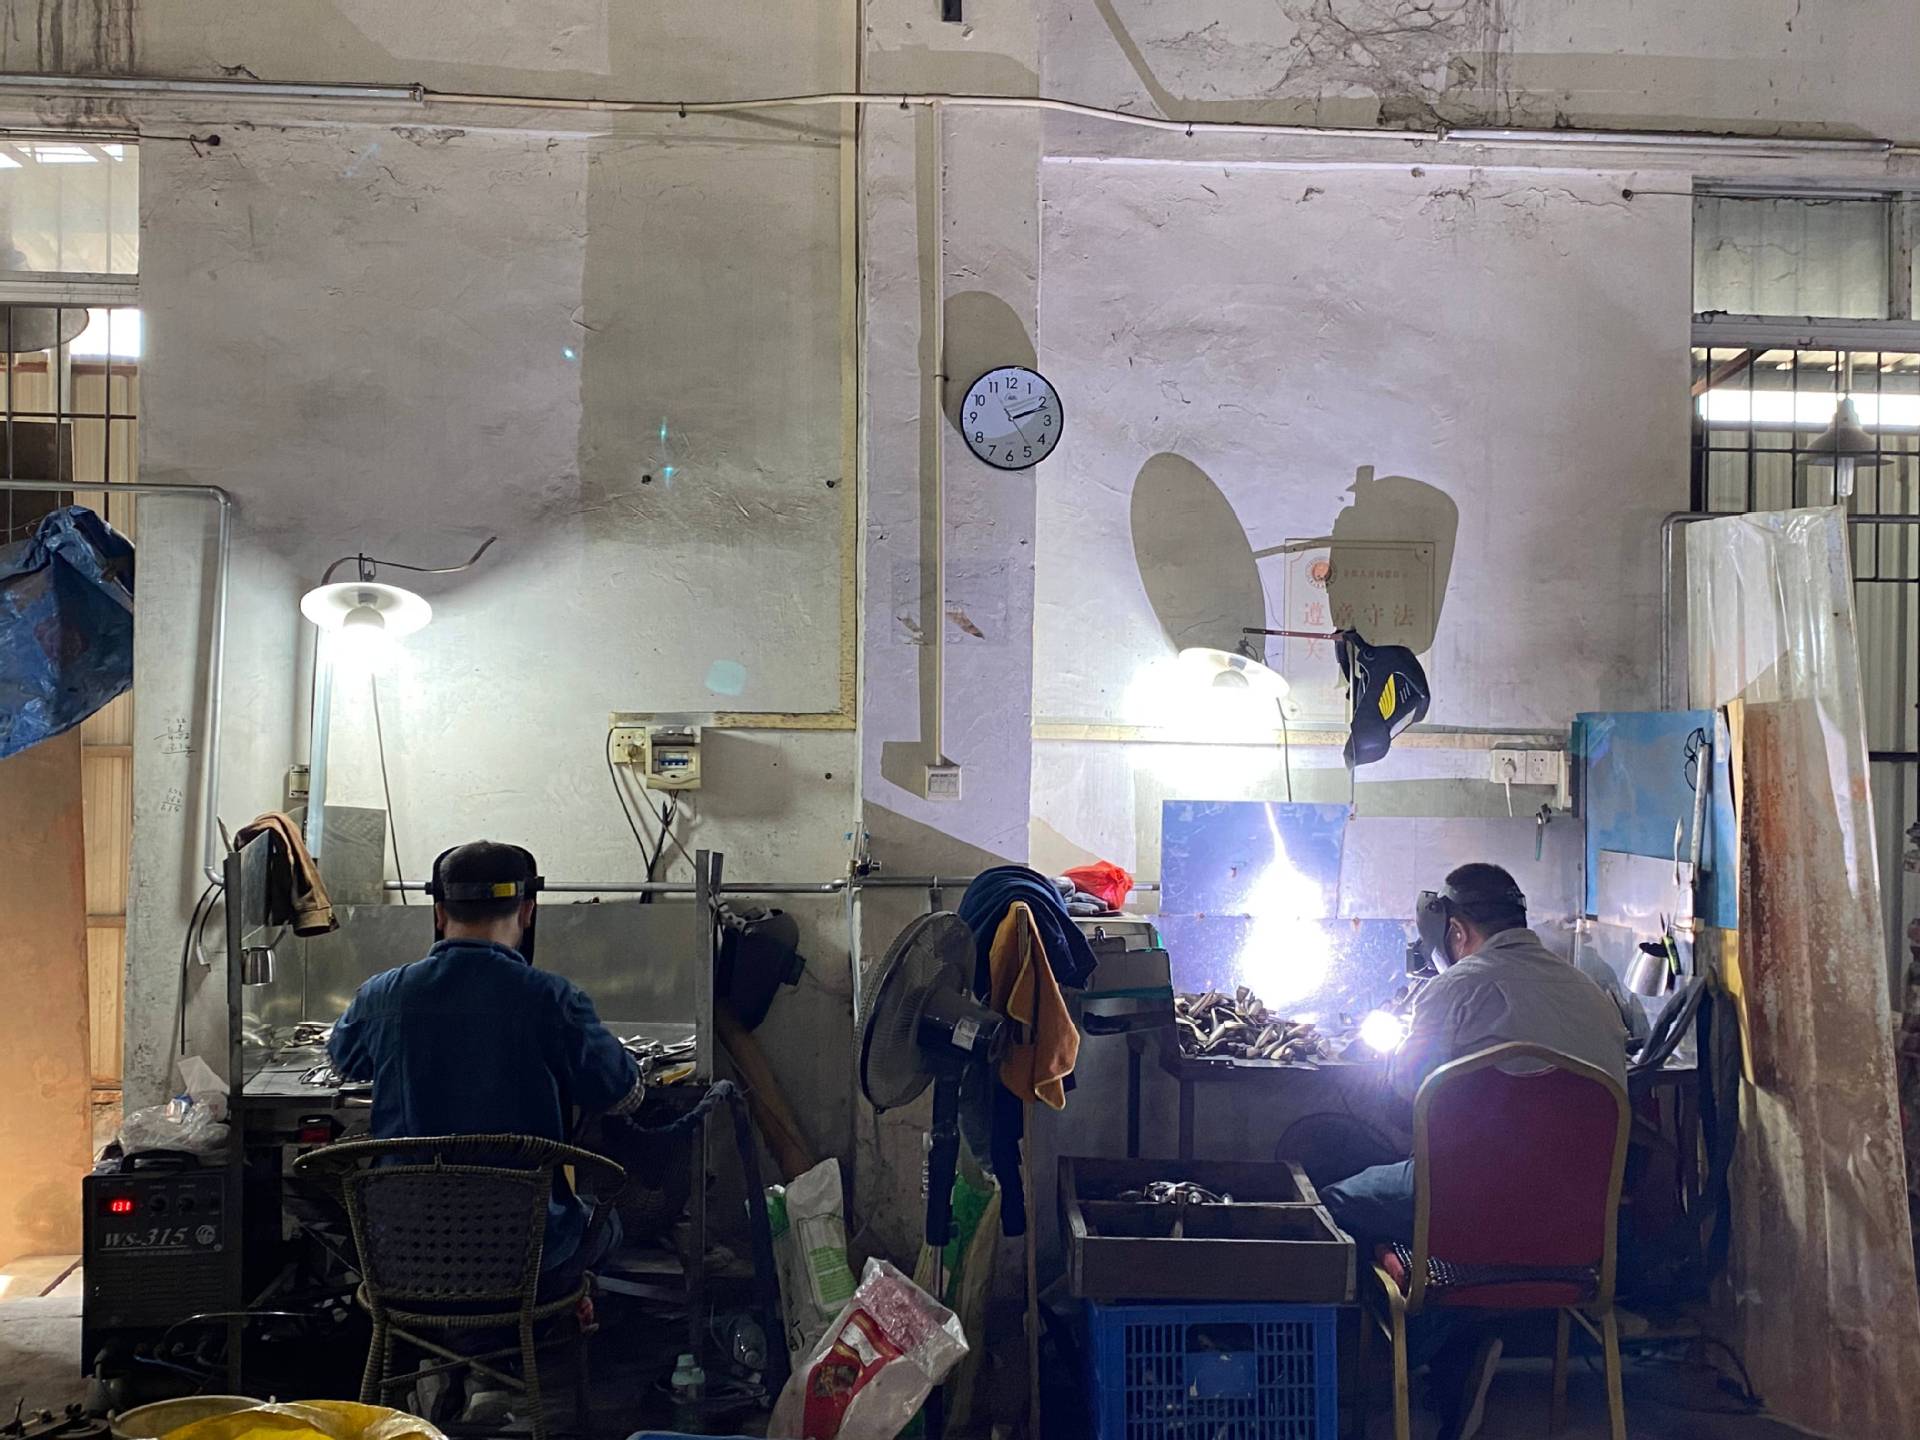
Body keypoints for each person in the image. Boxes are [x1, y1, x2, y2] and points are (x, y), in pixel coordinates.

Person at [1312, 863, 1630, 1440]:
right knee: (1458, 1217)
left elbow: (1406, 1091)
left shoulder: (1455, 987)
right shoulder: (1592, 994)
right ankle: (1464, 1356)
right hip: (1573, 1230)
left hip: (1469, 1213)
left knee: (1334, 1203)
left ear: (1456, 932)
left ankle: (1400, 1370)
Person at [328, 840, 645, 1296]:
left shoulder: (381, 994)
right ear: (528, 912)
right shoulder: (553, 998)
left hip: (405, 1247)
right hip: (527, 1251)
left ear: (439, 913)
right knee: (607, 1221)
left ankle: (431, 1331)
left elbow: (344, 1061)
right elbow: (623, 1096)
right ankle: (549, 1324)